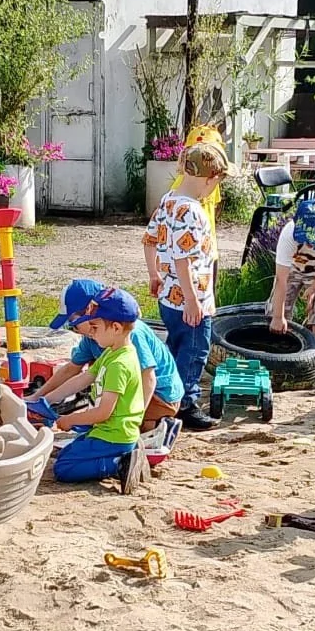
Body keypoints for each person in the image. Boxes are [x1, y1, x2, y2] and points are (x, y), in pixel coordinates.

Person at [145, 141, 228, 431]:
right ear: (209, 178)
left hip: (169, 297)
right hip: (191, 301)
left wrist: (153, 274)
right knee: (194, 352)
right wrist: (193, 301)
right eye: (216, 182)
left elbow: (149, 239)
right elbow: (184, 261)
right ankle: (185, 404)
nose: (214, 189)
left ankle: (166, 398)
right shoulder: (192, 211)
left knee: (176, 348)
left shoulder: (169, 200)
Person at [37, 278, 185, 436]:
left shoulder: (131, 335)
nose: (76, 330)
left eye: (74, 325)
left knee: (110, 420)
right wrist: (41, 398)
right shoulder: (95, 336)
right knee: (102, 384)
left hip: (160, 395)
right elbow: (73, 370)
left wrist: (134, 419)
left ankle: (154, 425)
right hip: (132, 387)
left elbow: (148, 378)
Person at [50, 287, 151, 494]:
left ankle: (120, 464)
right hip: (109, 431)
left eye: (95, 327)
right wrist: (48, 399)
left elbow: (104, 412)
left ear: (115, 327)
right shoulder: (112, 352)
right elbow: (84, 378)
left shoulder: (119, 364)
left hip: (114, 435)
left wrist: (71, 419)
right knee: (66, 453)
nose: (91, 332)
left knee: (63, 468)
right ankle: (127, 454)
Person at [267, 198, 315, 339]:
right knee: (275, 310)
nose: (309, 244)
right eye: (306, 238)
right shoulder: (288, 234)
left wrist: (314, 288)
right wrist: (278, 317)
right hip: (292, 269)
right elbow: (281, 279)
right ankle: (279, 346)